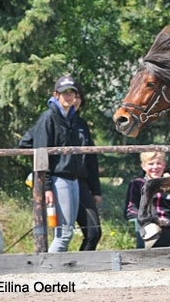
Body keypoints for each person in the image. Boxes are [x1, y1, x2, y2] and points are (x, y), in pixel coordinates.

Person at [20, 76, 82, 252]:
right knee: (64, 233)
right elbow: (40, 153)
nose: (68, 96)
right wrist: (46, 186)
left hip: (73, 178)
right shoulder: (48, 117)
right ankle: (49, 271)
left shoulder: (72, 117)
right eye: (64, 93)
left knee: (66, 231)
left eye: (72, 92)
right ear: (56, 94)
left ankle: (53, 268)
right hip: (57, 179)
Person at [73, 85, 102, 251]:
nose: (75, 100)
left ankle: (80, 267)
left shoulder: (82, 124)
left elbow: (91, 160)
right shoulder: (50, 120)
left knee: (94, 232)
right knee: (63, 234)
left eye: (78, 97)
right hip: (59, 183)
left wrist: (96, 190)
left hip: (82, 183)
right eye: (70, 95)